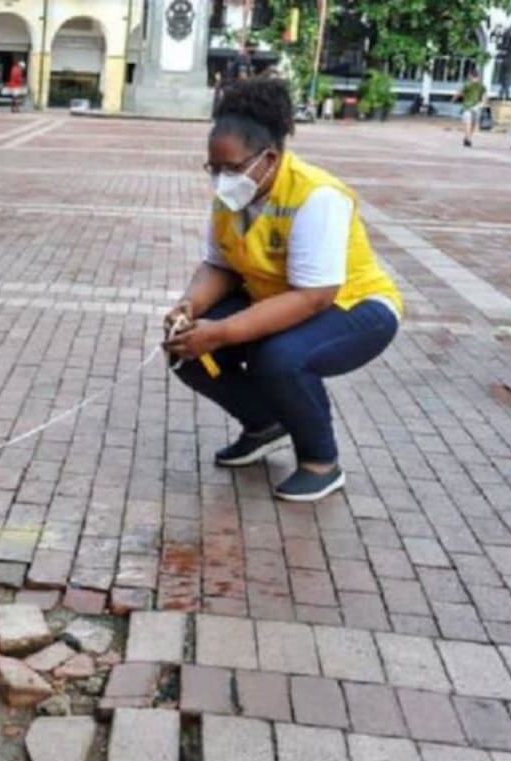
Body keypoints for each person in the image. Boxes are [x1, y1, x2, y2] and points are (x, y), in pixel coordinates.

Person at [163, 77, 402, 503]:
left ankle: (320, 462)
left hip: (356, 308)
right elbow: (219, 265)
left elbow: (315, 297)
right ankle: (263, 424)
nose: (221, 180)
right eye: (213, 169)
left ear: (269, 158)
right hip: (278, 301)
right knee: (183, 348)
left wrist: (219, 333)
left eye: (231, 169)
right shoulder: (233, 198)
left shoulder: (317, 196)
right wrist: (191, 305)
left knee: (281, 358)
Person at [453, 70, 486, 147]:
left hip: (467, 107)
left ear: (471, 76)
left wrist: (454, 99)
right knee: (473, 124)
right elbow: (484, 95)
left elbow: (459, 92)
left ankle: (467, 138)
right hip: (477, 107)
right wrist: (483, 104)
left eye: (469, 76)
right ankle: (469, 138)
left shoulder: (467, 84)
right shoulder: (481, 85)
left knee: (468, 123)